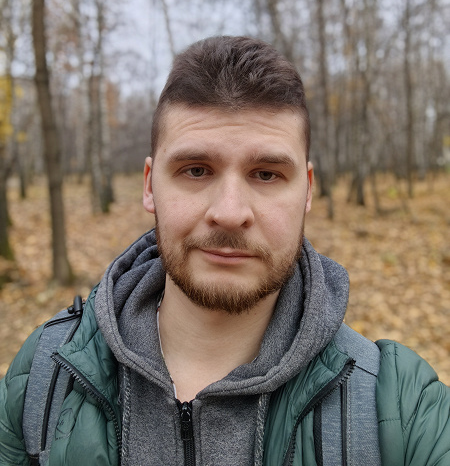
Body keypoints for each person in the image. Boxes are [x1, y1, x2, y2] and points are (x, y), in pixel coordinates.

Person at [0, 36, 449, 466]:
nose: (230, 213)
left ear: (308, 191)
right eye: (196, 170)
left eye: (266, 174)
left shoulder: (402, 410)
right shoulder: (43, 377)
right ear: (149, 186)